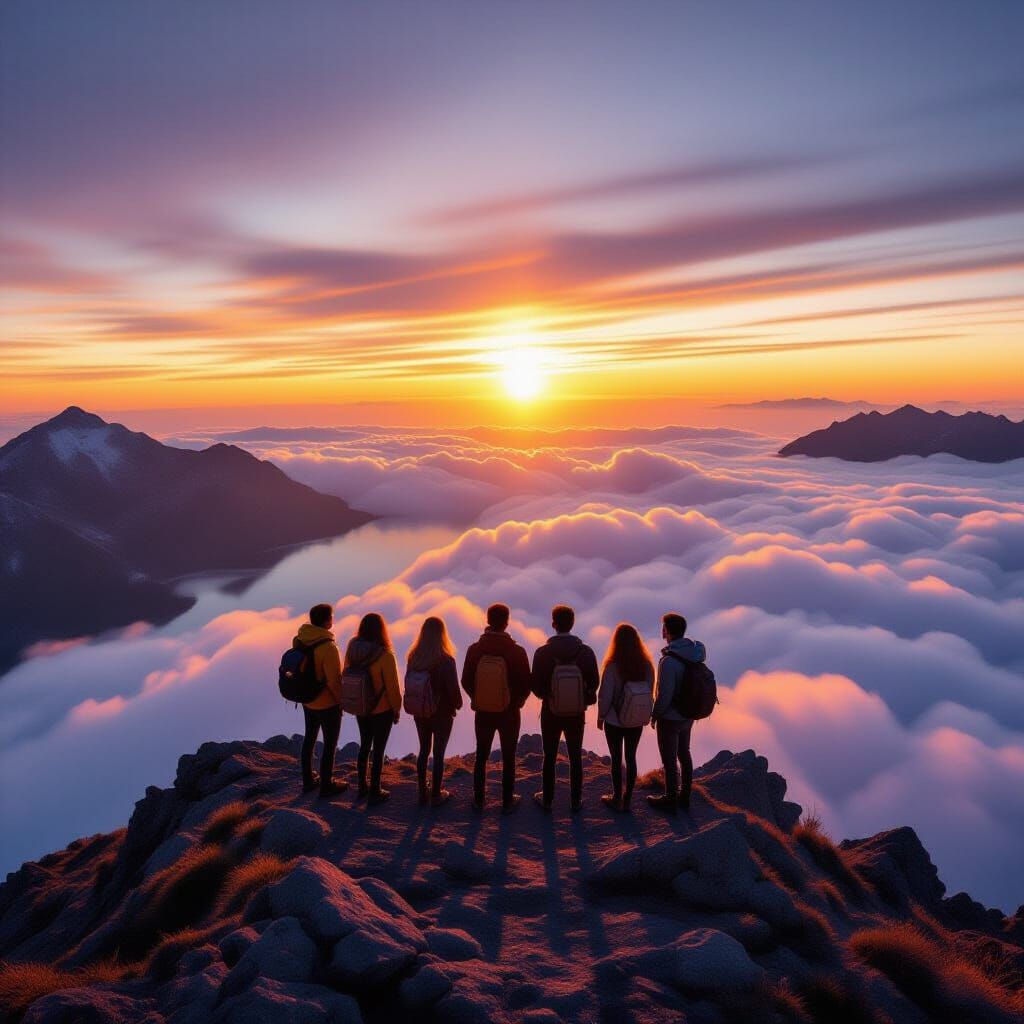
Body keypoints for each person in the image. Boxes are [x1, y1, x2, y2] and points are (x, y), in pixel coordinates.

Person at [461, 603, 531, 813]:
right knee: (509, 757)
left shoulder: (475, 649)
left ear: (488, 621)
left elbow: (465, 680)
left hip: (483, 712)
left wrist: (478, 697)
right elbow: (526, 683)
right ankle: (507, 801)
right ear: (507, 622)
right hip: (509, 713)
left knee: (481, 755)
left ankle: (479, 799)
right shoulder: (517, 651)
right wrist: (517, 701)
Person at [530, 605, 599, 812]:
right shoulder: (586, 652)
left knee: (549, 755)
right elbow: (594, 682)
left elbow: (535, 685)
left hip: (551, 711)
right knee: (575, 755)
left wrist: (548, 696)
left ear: (553, 624)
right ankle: (575, 801)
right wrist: (580, 698)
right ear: (572, 624)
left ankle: (548, 799)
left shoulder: (542, 653)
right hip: (576, 713)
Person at [648, 612, 707, 814]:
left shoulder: (669, 662)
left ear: (667, 631)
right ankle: (685, 796)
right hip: (689, 714)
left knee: (669, 759)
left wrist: (655, 715)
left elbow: (664, 695)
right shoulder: (695, 653)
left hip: (671, 717)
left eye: (663, 627)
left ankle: (670, 798)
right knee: (684, 753)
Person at [596, 622, 655, 812]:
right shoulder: (647, 666)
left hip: (614, 721)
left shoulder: (612, 666)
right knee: (631, 757)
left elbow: (605, 694)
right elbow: (649, 693)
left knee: (616, 759)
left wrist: (601, 715)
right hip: (636, 720)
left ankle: (616, 798)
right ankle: (628, 799)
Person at [345, 612, 401, 804]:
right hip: (381, 709)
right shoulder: (385, 655)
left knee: (364, 745)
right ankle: (375, 790)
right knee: (378, 750)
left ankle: (362, 786)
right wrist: (396, 709)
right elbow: (393, 687)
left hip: (361, 707)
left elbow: (346, 674)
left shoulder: (352, 649)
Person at [406, 615, 462, 806]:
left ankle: (422, 792)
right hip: (442, 713)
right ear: (442, 635)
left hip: (420, 711)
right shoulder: (446, 660)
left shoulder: (414, 657)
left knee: (423, 750)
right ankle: (437, 795)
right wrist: (458, 704)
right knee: (438, 753)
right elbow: (453, 690)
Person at [294, 603, 348, 798]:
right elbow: (334, 681)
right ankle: (327, 785)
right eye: (331, 617)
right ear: (327, 621)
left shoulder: (300, 638)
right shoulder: (329, 648)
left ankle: (308, 781)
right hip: (326, 703)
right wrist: (341, 702)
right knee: (329, 744)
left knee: (309, 739)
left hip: (308, 700)